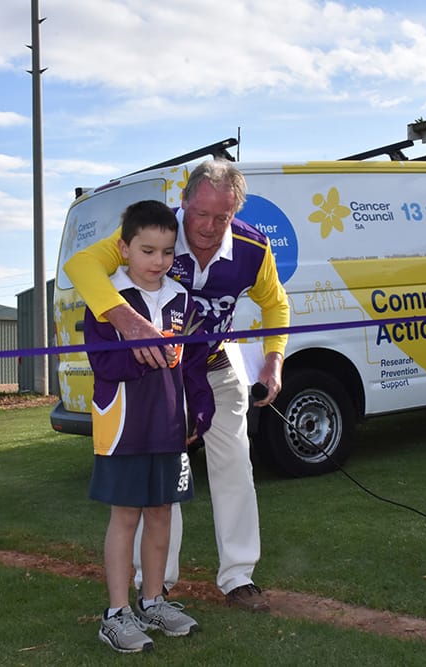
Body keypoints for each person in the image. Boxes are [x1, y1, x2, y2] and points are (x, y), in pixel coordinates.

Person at [67, 158, 290, 610]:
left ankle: (239, 576)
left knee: (235, 465)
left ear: (235, 213)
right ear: (183, 202)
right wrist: (129, 322)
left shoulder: (253, 247)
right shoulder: (157, 232)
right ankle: (157, 583)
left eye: (221, 217)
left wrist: (274, 361)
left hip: (216, 366)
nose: (208, 227)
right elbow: (82, 265)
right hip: (161, 377)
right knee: (164, 477)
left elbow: (276, 303)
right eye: (200, 213)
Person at [86, 200, 215, 653]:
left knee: (161, 512)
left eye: (166, 252)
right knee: (126, 515)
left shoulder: (181, 299)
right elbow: (102, 363)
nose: (158, 261)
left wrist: (200, 408)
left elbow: (193, 364)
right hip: (124, 426)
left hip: (168, 425)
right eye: (147, 251)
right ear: (124, 249)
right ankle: (116, 613)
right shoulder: (107, 298)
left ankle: (154, 600)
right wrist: (144, 356)